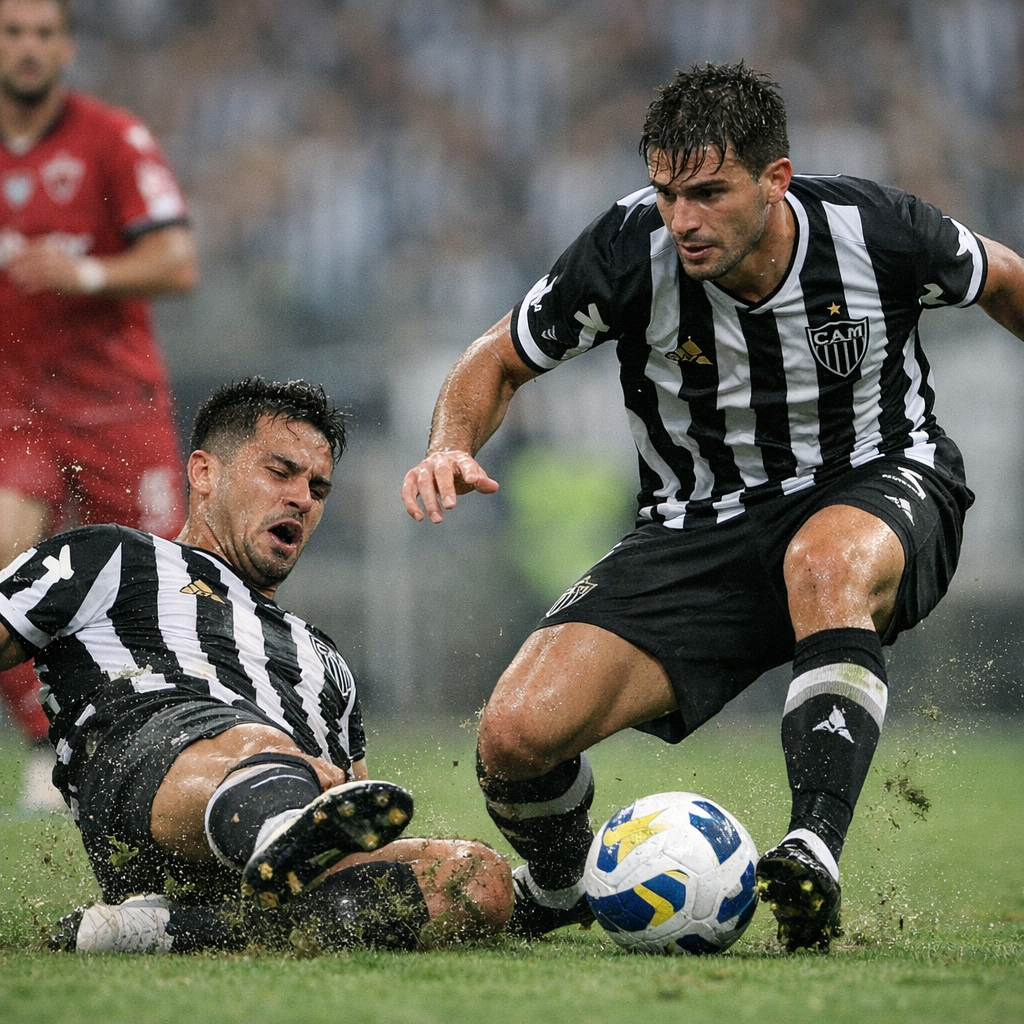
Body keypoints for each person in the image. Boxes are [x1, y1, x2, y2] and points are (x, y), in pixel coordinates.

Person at [402, 62, 1024, 952]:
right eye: (666, 192)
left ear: (778, 180)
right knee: (514, 737)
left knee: (825, 561)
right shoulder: (626, 251)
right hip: (699, 526)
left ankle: (812, 849)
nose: (683, 219)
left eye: (708, 192)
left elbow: (1003, 278)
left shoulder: (876, 228)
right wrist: (448, 444)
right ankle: (564, 880)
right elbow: (496, 358)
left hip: (880, 477)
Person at [0, 377, 512, 953]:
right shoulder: (113, 556)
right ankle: (272, 835)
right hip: (144, 771)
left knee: (476, 878)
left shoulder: (324, 660)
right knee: (260, 748)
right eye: (280, 472)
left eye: (318, 487)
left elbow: (355, 818)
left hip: (281, 812)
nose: (302, 498)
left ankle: (168, 930)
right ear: (204, 473)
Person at [0, 0, 198, 810]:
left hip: (117, 406)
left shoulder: (111, 138)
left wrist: (82, 273)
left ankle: (172, 736)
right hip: (15, 409)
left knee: (158, 589)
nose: (29, 47)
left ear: (67, 46)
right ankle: (51, 747)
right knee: (7, 566)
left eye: (45, 33)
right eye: (13, 31)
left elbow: (177, 260)